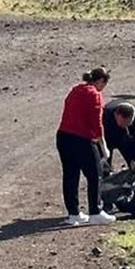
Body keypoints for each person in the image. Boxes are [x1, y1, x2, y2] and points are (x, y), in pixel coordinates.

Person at [56, 68, 119, 228]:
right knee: (94, 174)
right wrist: (102, 145)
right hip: (81, 139)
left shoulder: (76, 90)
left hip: (63, 137)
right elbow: (96, 123)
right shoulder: (94, 94)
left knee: (70, 175)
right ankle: (95, 212)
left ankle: (74, 214)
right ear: (101, 81)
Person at [103, 99, 135, 190]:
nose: (125, 126)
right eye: (123, 124)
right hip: (108, 137)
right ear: (116, 115)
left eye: (128, 124)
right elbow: (98, 136)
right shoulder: (104, 116)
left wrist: (134, 158)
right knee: (104, 167)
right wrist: (104, 155)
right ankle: (104, 195)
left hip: (126, 139)